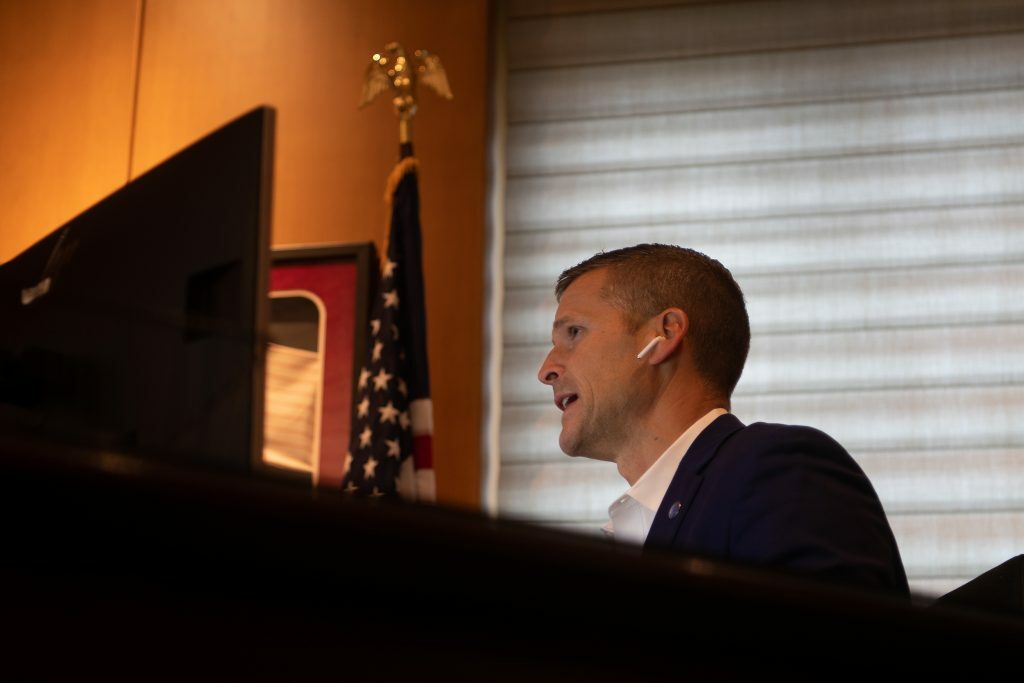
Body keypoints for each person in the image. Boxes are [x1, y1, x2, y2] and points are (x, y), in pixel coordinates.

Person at [537, 244, 909, 594]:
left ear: (663, 334)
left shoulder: (777, 470)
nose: (546, 370)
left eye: (574, 333)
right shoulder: (635, 533)